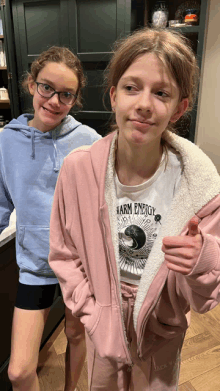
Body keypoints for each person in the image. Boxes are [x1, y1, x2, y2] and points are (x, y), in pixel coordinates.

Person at [48, 28, 220, 391]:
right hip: (102, 325)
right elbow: (64, 255)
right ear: (113, 95)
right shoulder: (79, 171)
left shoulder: (200, 187)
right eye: (131, 87)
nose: (144, 103)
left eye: (161, 93)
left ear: (179, 108)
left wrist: (202, 260)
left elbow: (205, 299)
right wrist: (93, 315)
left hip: (161, 335)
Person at [0, 46, 101, 391]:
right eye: (47, 87)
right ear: (31, 84)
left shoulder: (89, 141)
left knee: (76, 335)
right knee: (18, 372)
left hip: (79, 266)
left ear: (75, 99)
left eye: (66, 94)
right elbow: (1, 205)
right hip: (34, 267)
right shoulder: (7, 142)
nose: (55, 100)